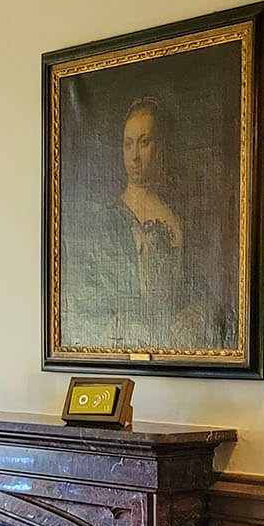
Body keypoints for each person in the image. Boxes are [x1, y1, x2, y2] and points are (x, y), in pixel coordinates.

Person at [69, 97, 221, 350]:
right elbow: (84, 303)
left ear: (160, 147)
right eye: (128, 145)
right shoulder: (108, 220)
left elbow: (199, 287)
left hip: (173, 350)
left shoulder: (177, 219)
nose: (135, 156)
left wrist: (198, 312)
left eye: (144, 143)